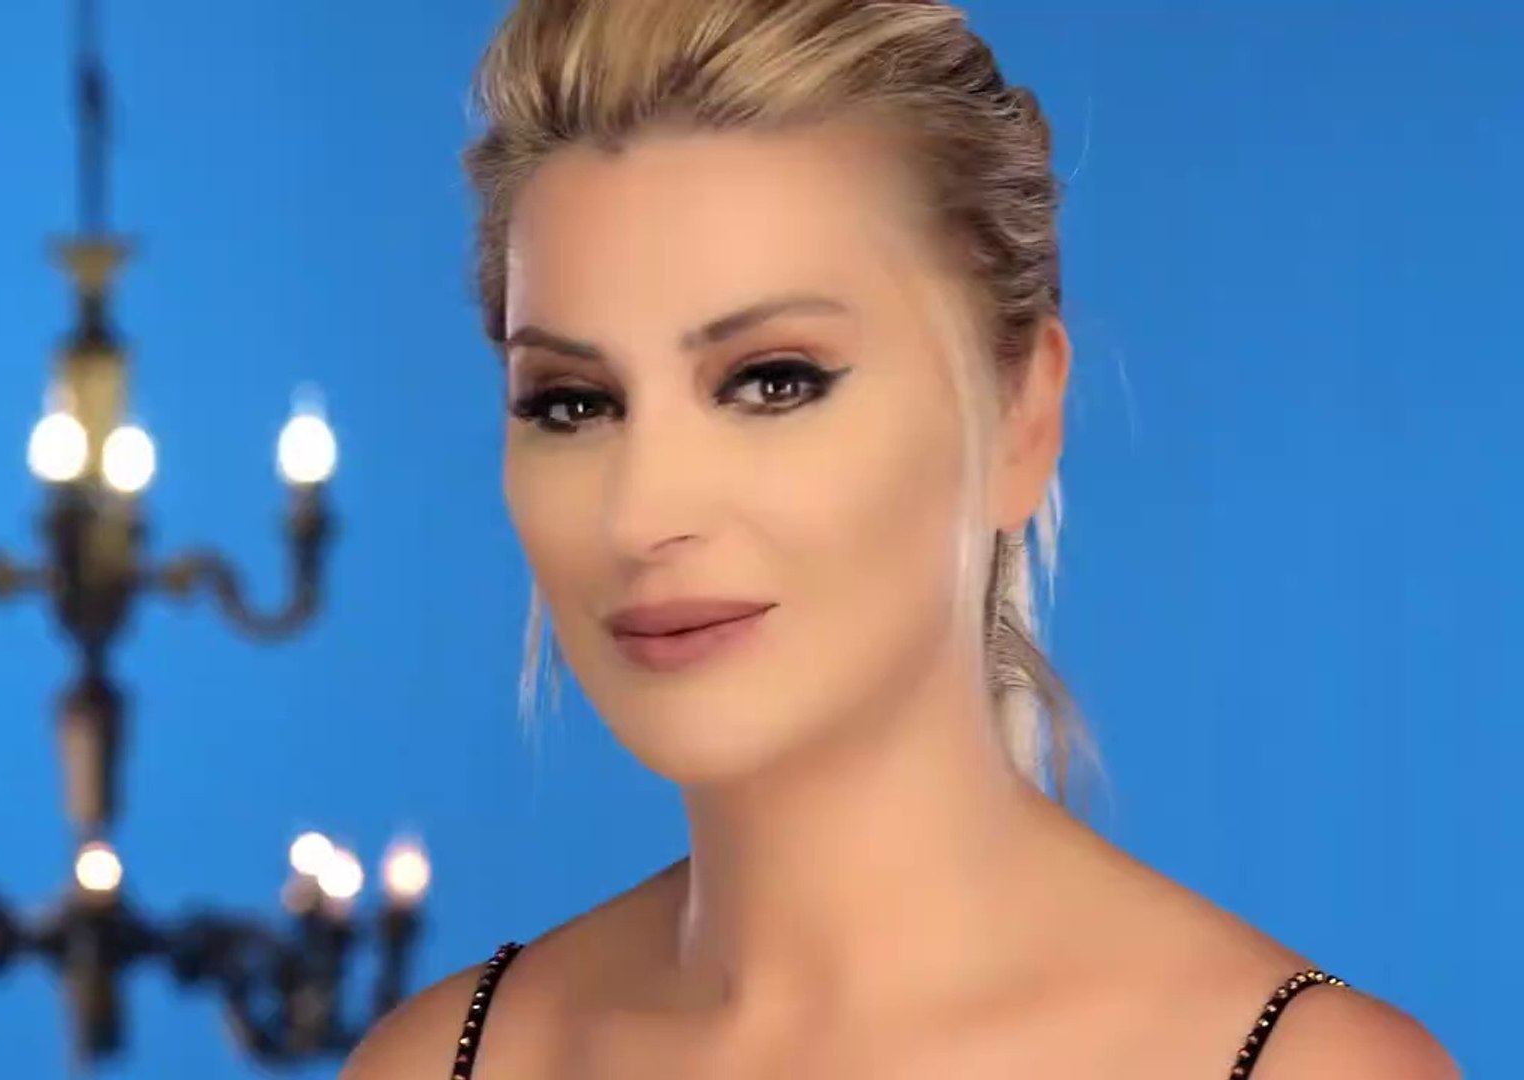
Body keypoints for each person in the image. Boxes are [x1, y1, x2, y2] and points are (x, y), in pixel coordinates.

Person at [347, 1, 1458, 1076]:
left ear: (1021, 414)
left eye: (774, 381)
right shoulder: (441, 1063)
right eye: (573, 402)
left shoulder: (1304, 1068)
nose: (639, 515)